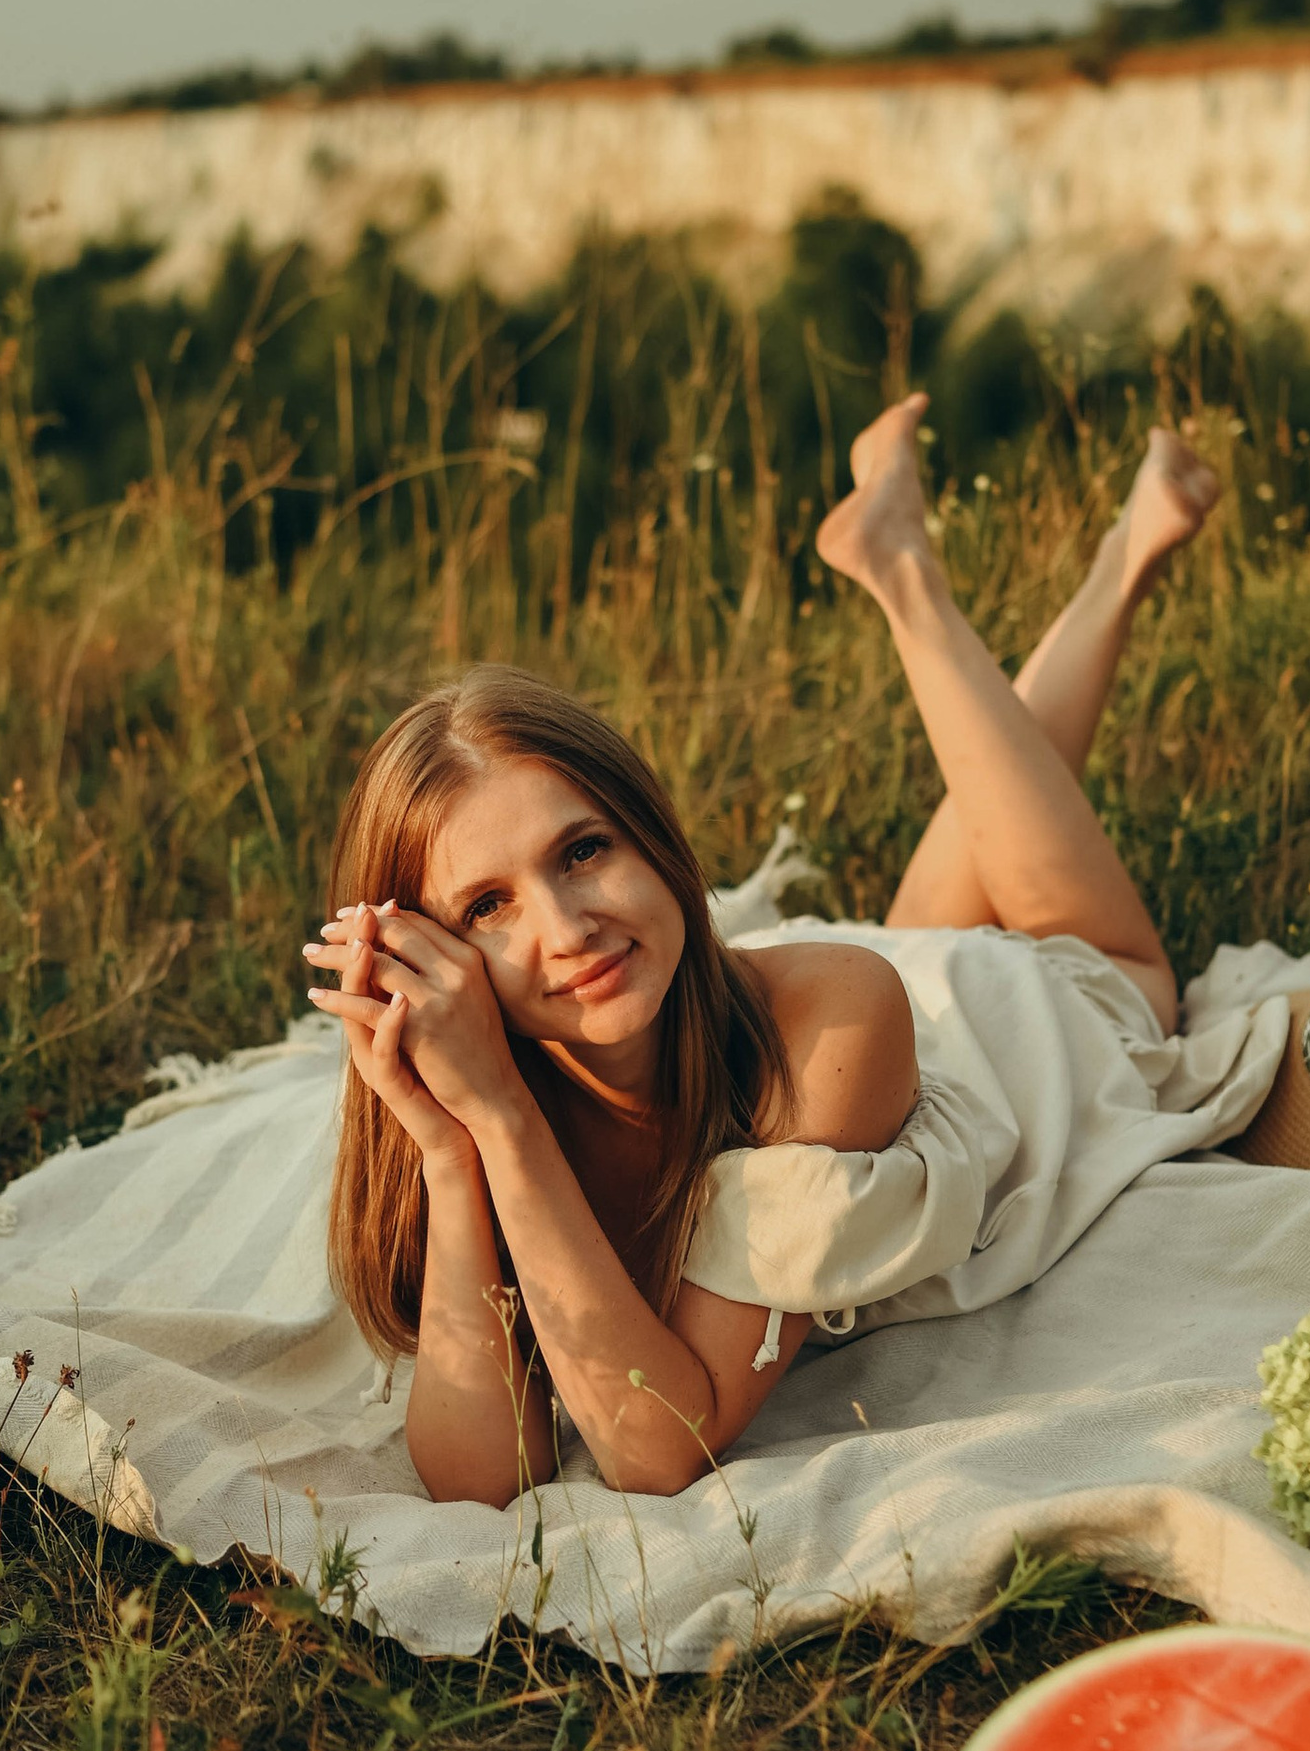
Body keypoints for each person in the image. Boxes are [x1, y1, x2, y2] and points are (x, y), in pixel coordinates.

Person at [306, 393, 1219, 1504]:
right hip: (862, 978)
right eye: (485, 907)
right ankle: (1001, 549)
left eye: (584, 850)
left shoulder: (827, 1027)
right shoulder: (490, 1092)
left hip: (998, 1024)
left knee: (1129, 974)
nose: (566, 927)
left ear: (653, 833)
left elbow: (660, 1445)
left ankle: (940, 577)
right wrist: (457, 1144)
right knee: (985, 820)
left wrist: (501, 1119)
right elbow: (475, 1476)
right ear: (422, 960)